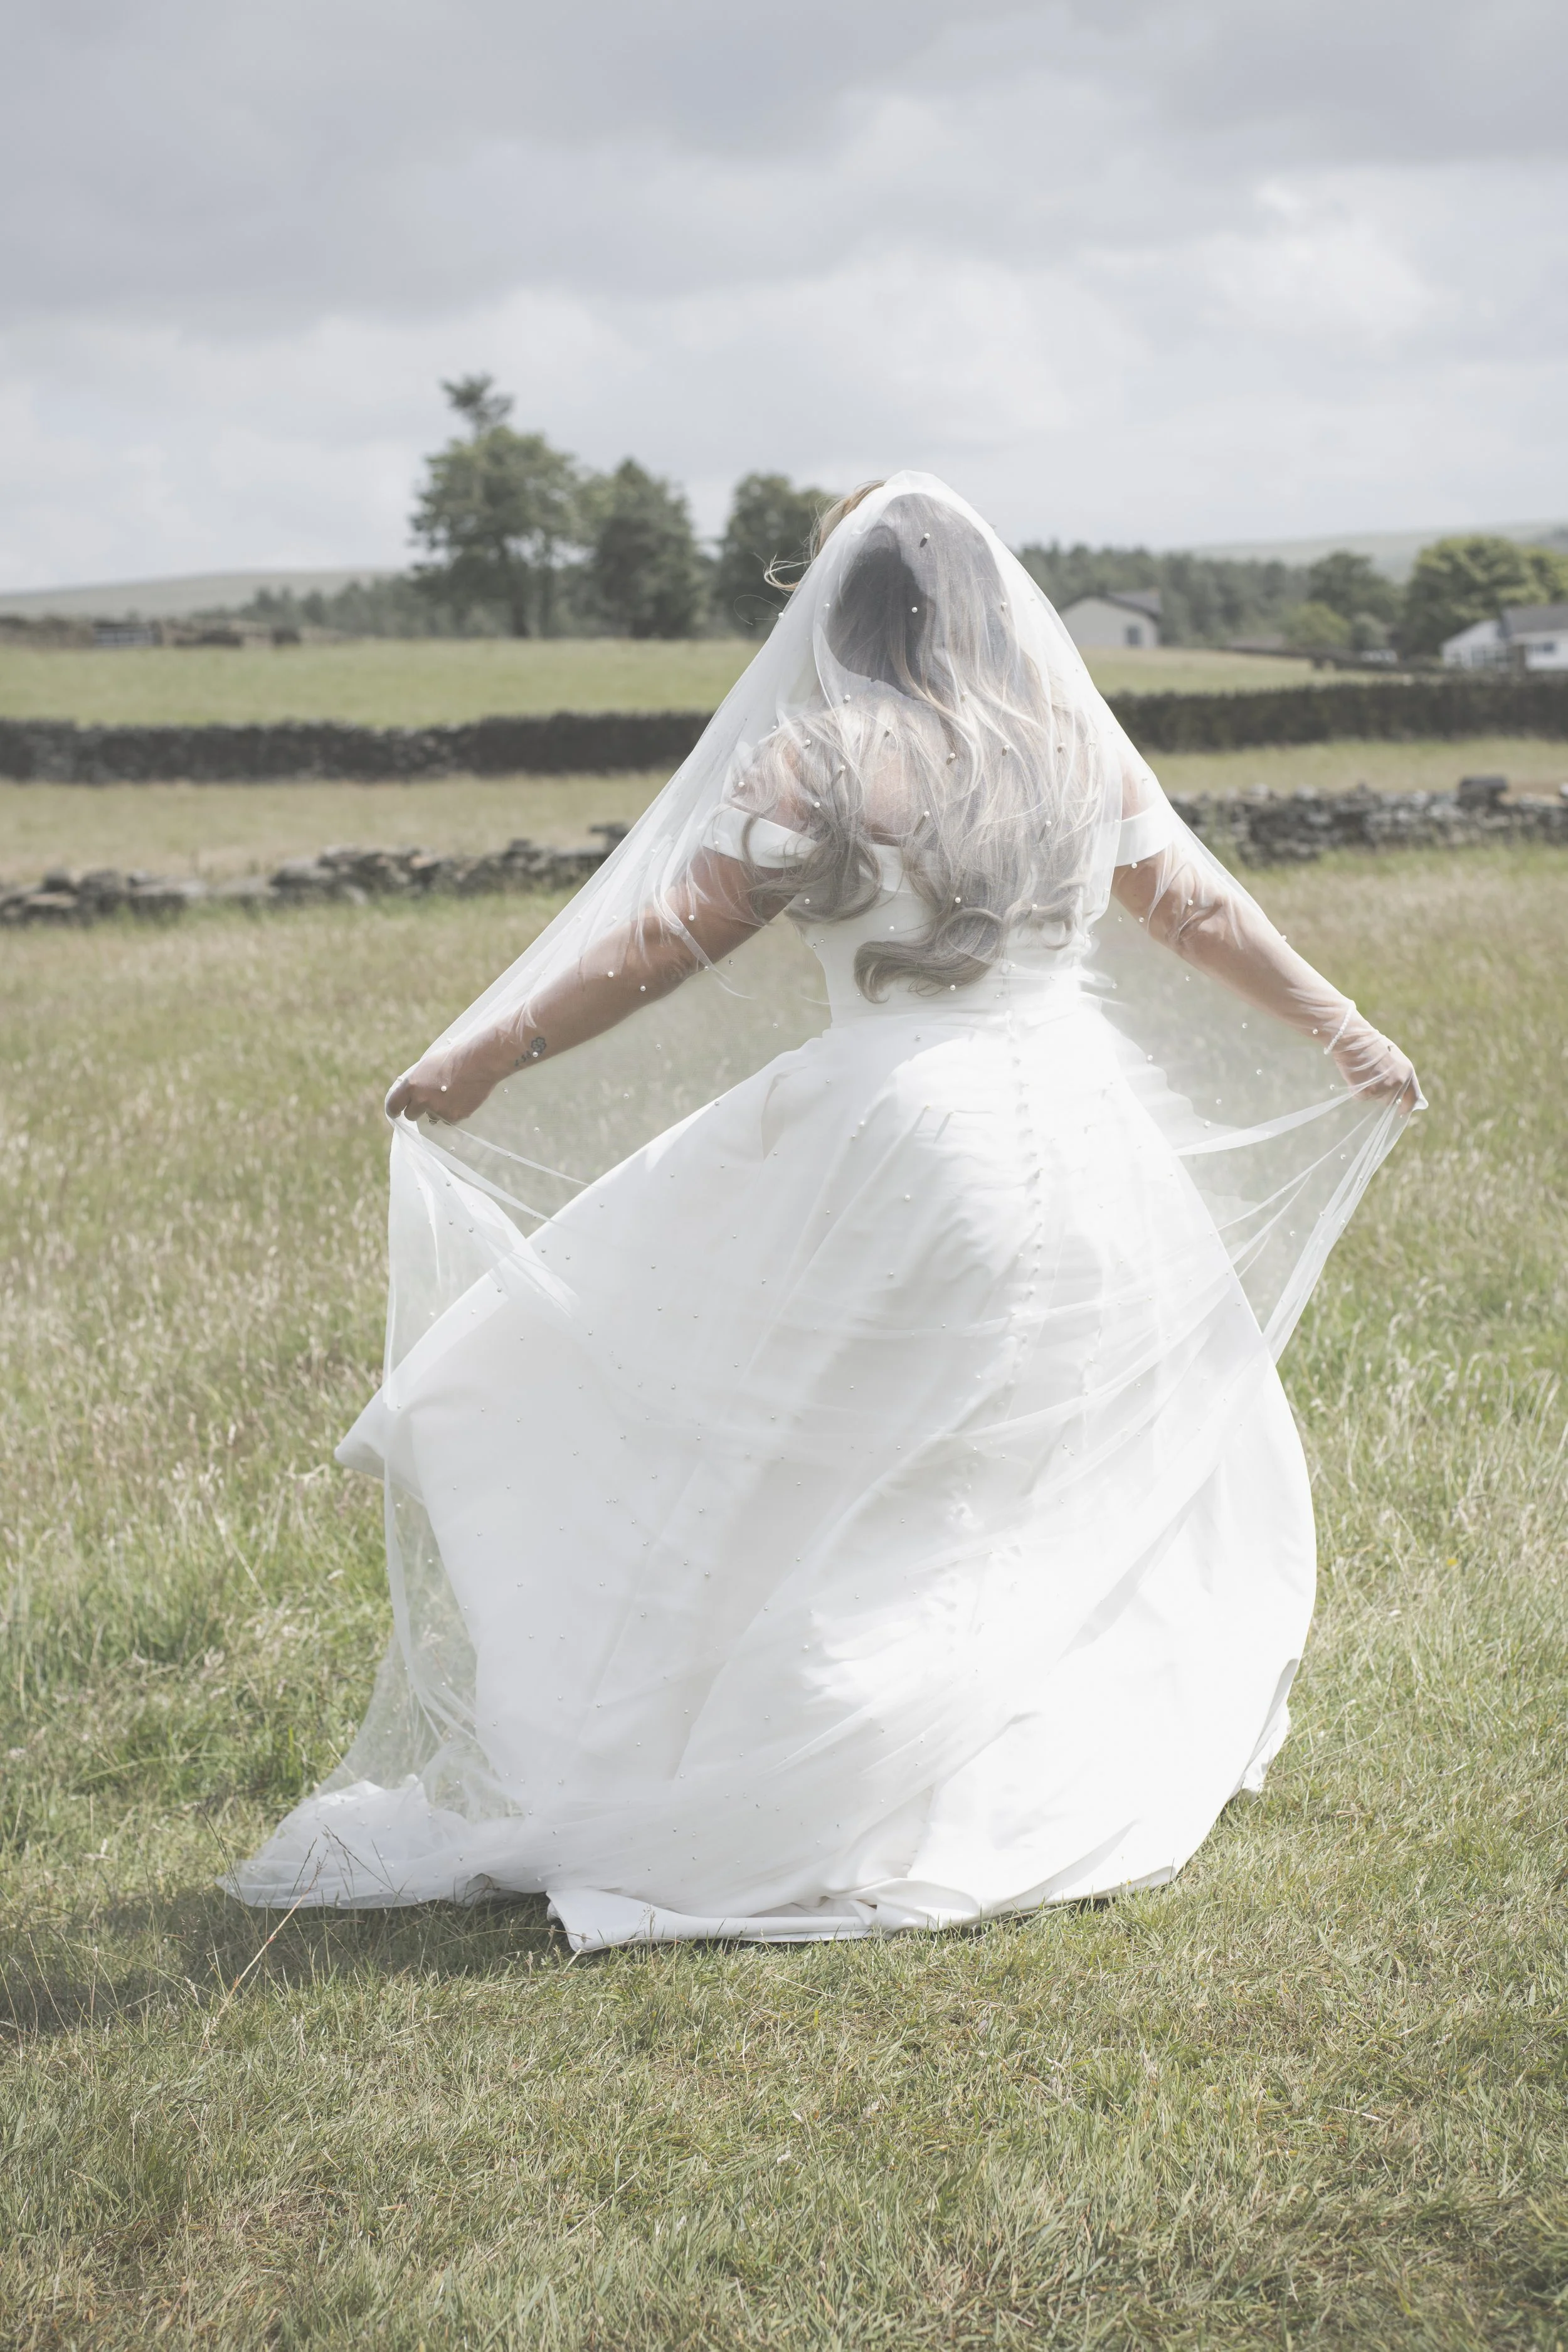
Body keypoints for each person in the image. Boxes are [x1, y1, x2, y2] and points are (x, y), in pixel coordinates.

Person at [230, 475, 1419, 1949]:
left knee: (803, 1447)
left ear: (834, 616)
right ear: (998, 611)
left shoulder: (818, 761)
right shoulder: (1066, 748)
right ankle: (998, 1740)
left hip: (896, 1141)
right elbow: (1198, 910)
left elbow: (667, 941)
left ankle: (825, 1761)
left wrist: (483, 1053)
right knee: (1019, 1453)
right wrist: (1344, 1027)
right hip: (1081, 1134)